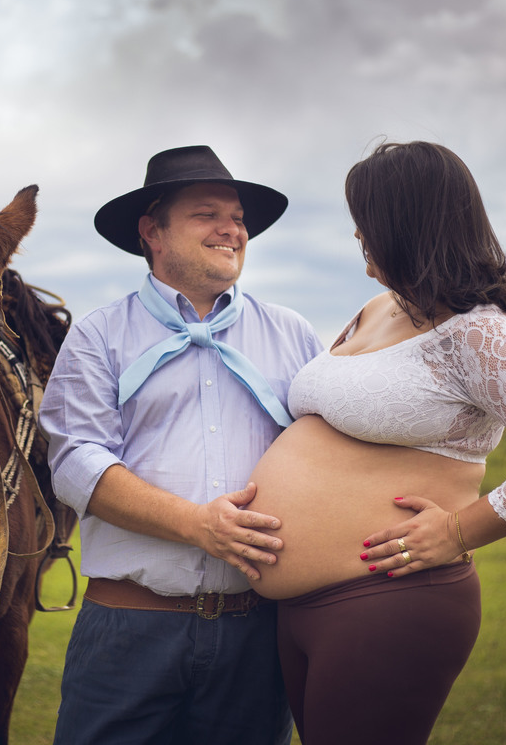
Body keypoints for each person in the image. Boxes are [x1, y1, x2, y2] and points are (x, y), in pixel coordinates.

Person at [243, 141, 506, 744]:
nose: (358, 236)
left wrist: (459, 532)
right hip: (302, 609)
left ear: (408, 224)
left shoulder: (478, 333)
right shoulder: (376, 308)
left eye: (367, 221)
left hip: (387, 599)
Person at [39, 145, 324, 745]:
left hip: (258, 634)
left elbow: (326, 455)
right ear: (152, 232)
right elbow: (75, 463)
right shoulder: (98, 334)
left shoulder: (293, 334)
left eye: (238, 218)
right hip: (129, 630)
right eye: (206, 214)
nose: (232, 230)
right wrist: (198, 525)